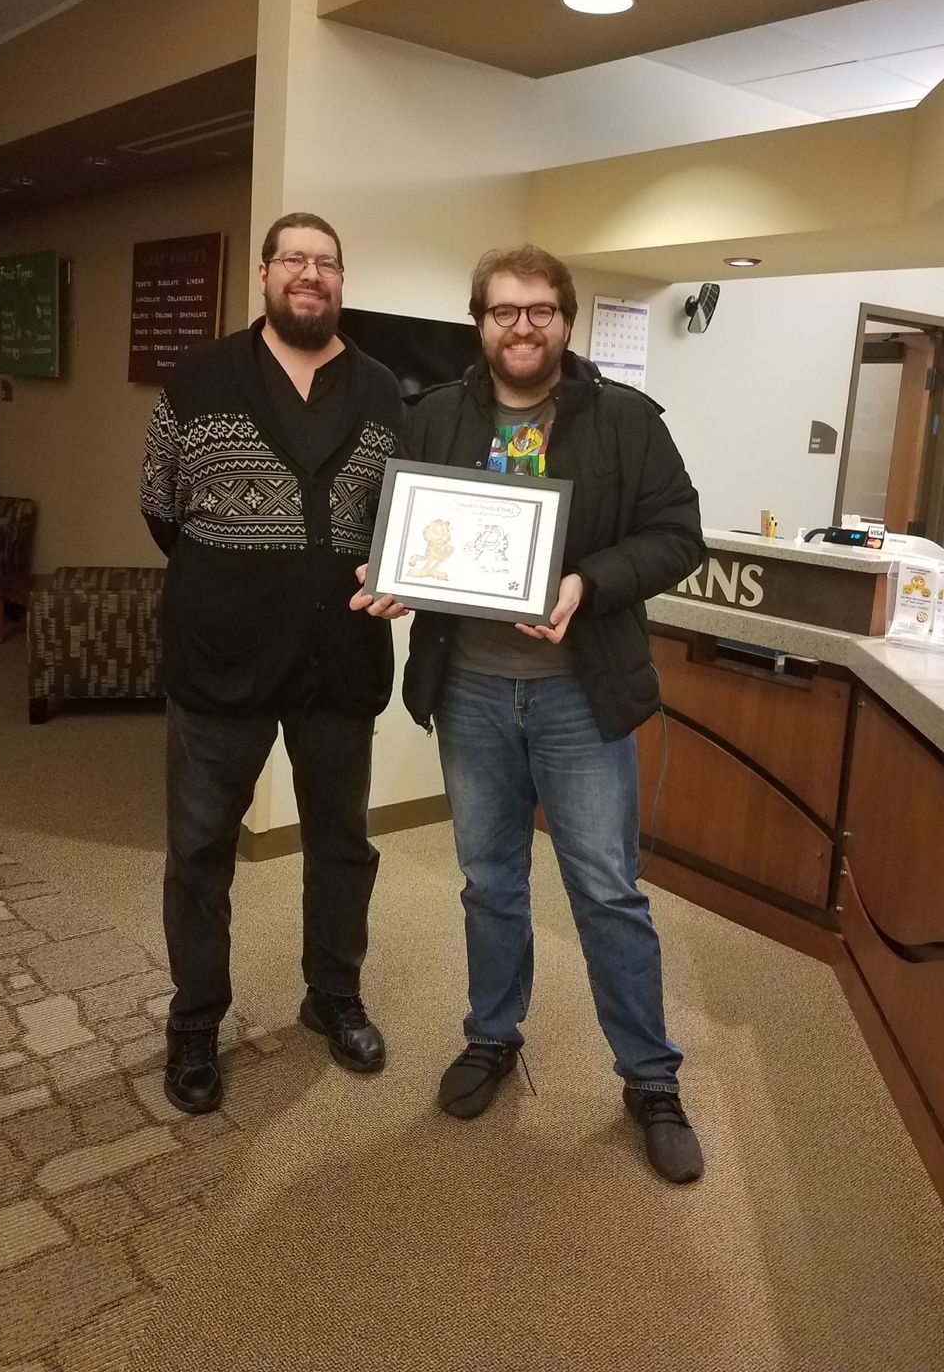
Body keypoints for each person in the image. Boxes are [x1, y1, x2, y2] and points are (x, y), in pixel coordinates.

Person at [353, 244, 707, 1183]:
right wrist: (393, 576)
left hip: (577, 694)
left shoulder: (626, 421)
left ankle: (650, 1079)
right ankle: (492, 1036)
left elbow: (679, 536)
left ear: (566, 319)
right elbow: (406, 531)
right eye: (504, 310)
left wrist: (589, 582)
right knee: (489, 879)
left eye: (541, 310)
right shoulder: (434, 416)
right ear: (480, 321)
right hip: (468, 687)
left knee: (607, 890)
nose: (522, 326)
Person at [142, 212, 403, 1113]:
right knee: (200, 852)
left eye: (327, 262)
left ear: (341, 279)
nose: (311, 274)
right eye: (294, 258)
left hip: (339, 658)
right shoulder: (200, 376)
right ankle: (194, 1024)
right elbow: (160, 507)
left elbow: (400, 522)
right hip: (221, 659)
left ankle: (333, 995)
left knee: (342, 843)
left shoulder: (381, 391)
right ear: (264, 274)